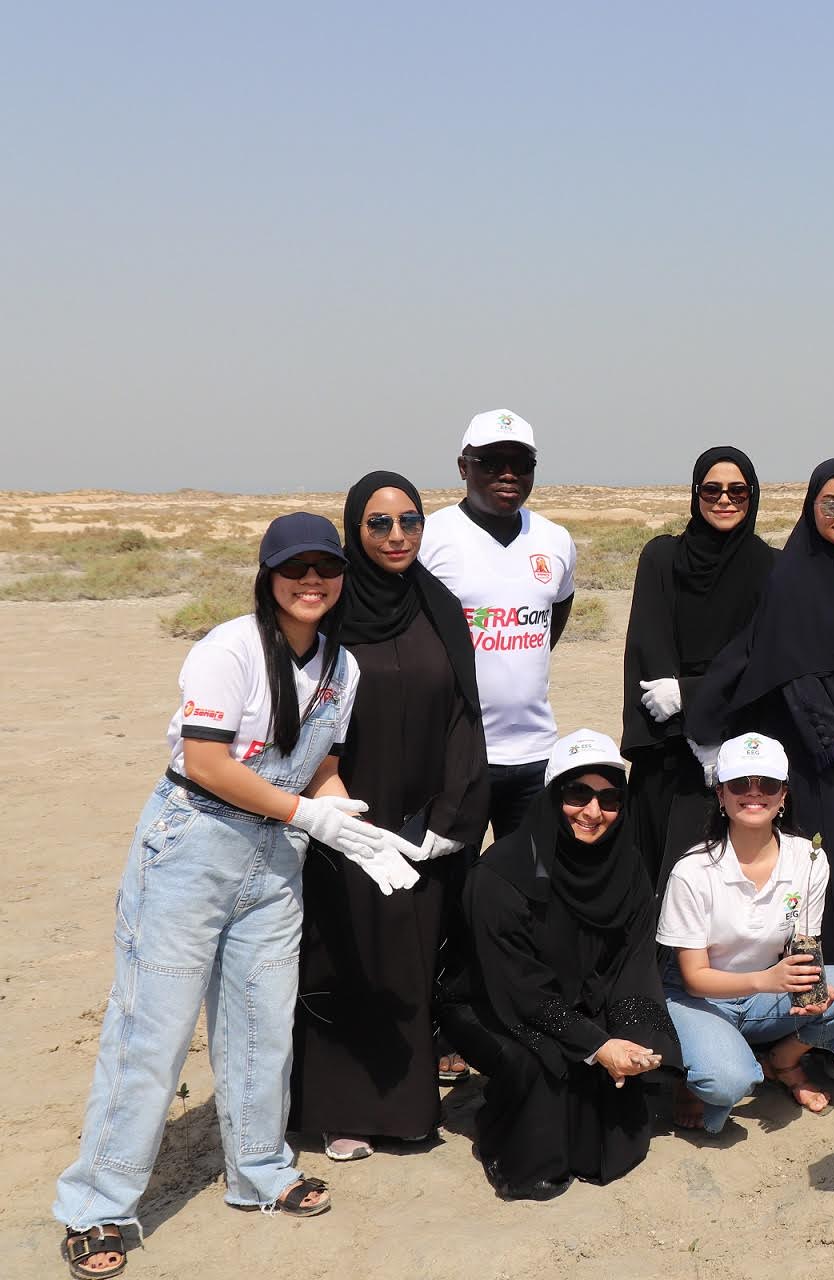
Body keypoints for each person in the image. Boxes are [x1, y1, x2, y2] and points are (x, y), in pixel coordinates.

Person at [54, 514, 421, 1279]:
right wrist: (308, 815)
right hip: (193, 846)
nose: (311, 580)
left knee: (262, 1024)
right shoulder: (230, 649)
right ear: (269, 575)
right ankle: (96, 1205)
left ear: (343, 576)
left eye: (326, 567)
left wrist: (352, 827)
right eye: (296, 567)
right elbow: (208, 763)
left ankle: (259, 1170)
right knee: (151, 1033)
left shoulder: (342, 668)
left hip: (276, 857)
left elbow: (321, 766)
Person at [696, 458, 834, 1074]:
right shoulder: (790, 577)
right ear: (811, 507)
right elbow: (795, 678)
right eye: (831, 503)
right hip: (821, 769)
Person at [289, 472, 491, 1161]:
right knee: (347, 955)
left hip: (424, 823)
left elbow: (466, 713)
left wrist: (450, 815)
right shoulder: (330, 612)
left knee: (412, 960)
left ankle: (406, 1111)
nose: (398, 536)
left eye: (410, 521)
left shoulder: (439, 605)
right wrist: (338, 816)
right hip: (344, 814)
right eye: (379, 524)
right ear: (355, 530)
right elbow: (300, 718)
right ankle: (340, 1108)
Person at [447, 730, 681, 1202]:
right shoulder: (503, 874)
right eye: (578, 794)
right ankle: (506, 1125)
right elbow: (519, 987)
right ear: (553, 796)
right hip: (493, 1003)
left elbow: (634, 962)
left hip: (579, 999)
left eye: (609, 799)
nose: (593, 812)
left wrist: (629, 1036)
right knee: (542, 1066)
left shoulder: (627, 867)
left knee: (623, 1080)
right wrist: (596, 1045)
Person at [656, 732, 834, 1132]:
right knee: (729, 1081)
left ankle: (783, 1060)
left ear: (784, 796)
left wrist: (812, 990)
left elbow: (803, 947)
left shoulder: (809, 858)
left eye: (768, 783)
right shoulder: (692, 870)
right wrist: (768, 981)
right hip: (701, 998)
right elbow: (693, 978)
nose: (754, 792)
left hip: (765, 990)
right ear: (720, 794)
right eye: (739, 784)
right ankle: (695, 1069)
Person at [418, 409, 576, 840]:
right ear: (463, 467)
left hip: (535, 753)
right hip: (457, 753)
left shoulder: (555, 539)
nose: (508, 474)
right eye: (491, 462)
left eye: (521, 464)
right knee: (452, 874)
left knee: (530, 873)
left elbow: (554, 614)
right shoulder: (431, 538)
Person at [622, 446, 775, 879]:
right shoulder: (662, 558)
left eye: (737, 491)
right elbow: (649, 646)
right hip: (668, 747)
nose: (724, 500)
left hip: (741, 750)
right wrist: (691, 729)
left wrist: (691, 696)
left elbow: (762, 660)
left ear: (752, 496)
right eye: (712, 490)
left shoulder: (771, 568)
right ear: (695, 493)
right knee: (661, 880)